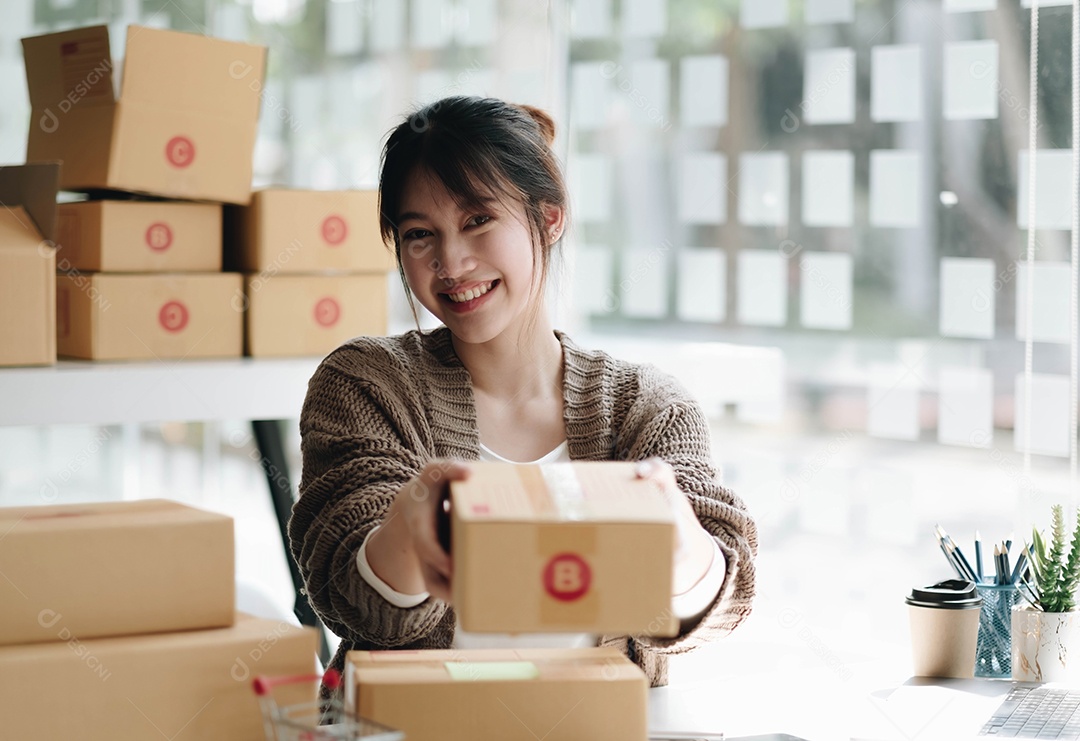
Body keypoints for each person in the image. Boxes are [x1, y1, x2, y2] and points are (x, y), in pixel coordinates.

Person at [288, 96, 757, 693]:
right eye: (418, 235)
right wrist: (409, 527)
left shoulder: (647, 408)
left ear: (550, 217)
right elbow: (344, 594)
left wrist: (678, 539)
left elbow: (723, 597)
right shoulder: (365, 383)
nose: (450, 262)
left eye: (478, 220)